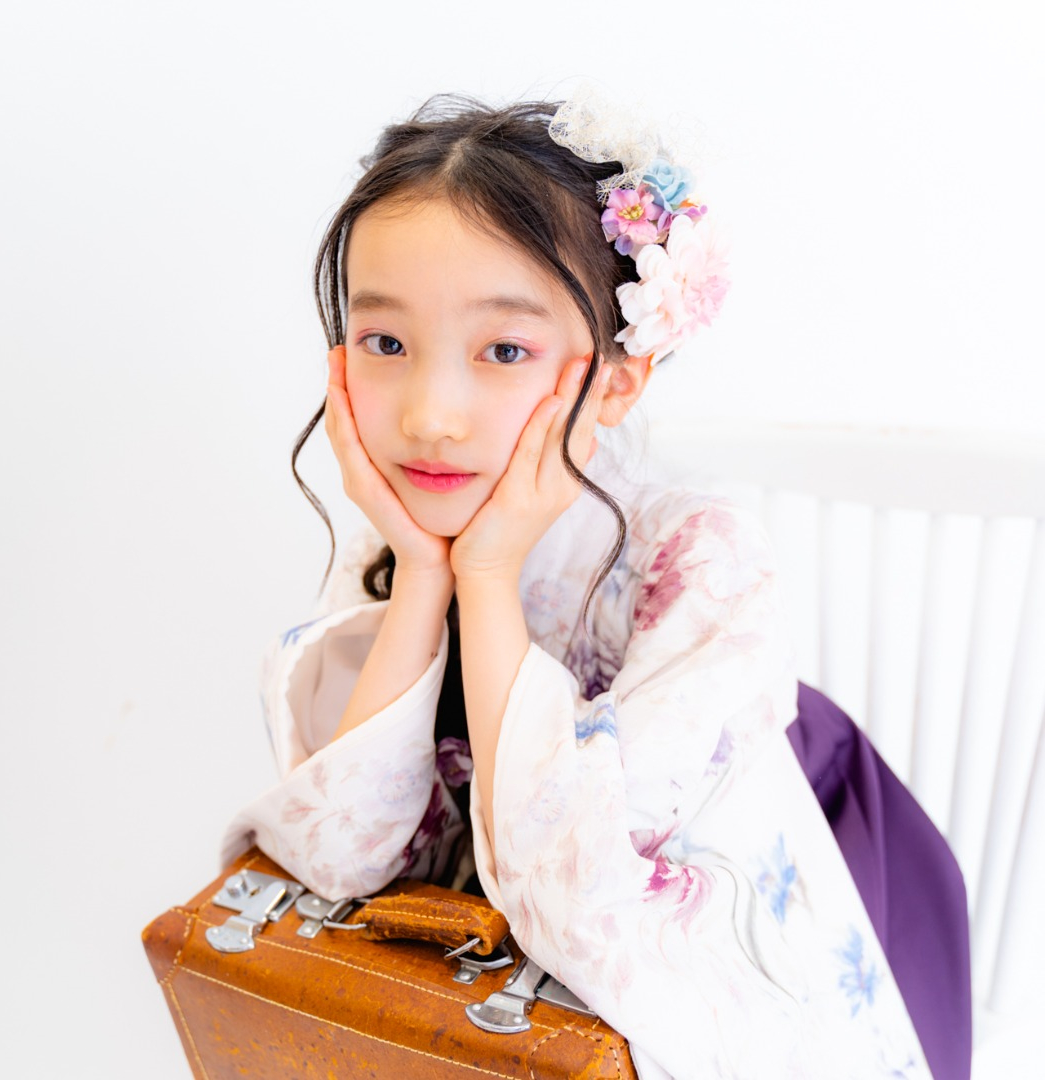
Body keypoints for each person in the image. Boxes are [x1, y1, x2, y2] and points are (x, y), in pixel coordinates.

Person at [223, 93, 971, 1079]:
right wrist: (422, 580)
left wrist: (487, 578)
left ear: (617, 379)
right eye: (386, 344)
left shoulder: (702, 562)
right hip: (514, 980)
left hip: (723, 940)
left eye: (504, 350)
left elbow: (583, 908)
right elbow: (339, 857)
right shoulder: (404, 539)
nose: (431, 415)